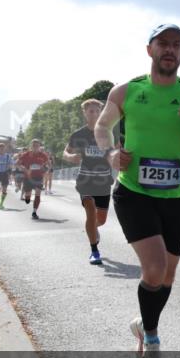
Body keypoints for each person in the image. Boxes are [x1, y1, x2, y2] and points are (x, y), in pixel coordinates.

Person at [95, 23, 180, 358]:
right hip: (134, 194)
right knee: (156, 268)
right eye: (163, 43)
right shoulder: (128, 91)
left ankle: (142, 323)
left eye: (177, 45)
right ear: (150, 50)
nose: (170, 50)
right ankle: (151, 340)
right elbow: (102, 127)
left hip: (176, 199)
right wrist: (112, 152)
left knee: (167, 276)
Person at [64, 99, 115, 265]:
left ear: (101, 112)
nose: (93, 113)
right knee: (90, 212)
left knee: (101, 219)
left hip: (103, 181)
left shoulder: (108, 133)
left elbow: (119, 150)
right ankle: (94, 250)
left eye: (96, 110)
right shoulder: (78, 135)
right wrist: (70, 156)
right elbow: (66, 152)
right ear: (84, 113)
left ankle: (93, 230)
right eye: (90, 111)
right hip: (85, 180)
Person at [17, 139, 50, 219]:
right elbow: (18, 164)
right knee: (28, 196)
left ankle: (34, 212)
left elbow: (48, 165)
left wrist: (45, 169)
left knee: (38, 193)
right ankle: (27, 197)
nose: (35, 147)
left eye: (37, 145)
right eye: (34, 145)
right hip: (28, 177)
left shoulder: (43, 155)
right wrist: (25, 169)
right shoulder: (26, 154)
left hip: (38, 177)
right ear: (31, 146)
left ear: (39, 146)